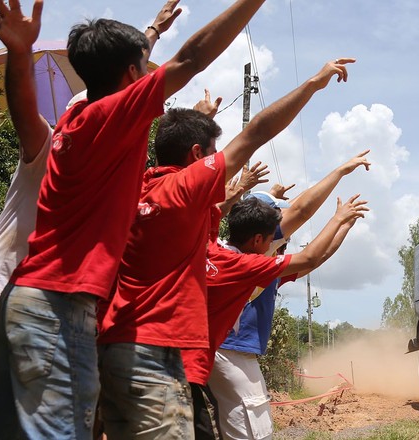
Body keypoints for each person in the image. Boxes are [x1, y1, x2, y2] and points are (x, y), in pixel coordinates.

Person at [97, 57, 355, 439]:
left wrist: (194, 120)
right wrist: (313, 84)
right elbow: (256, 133)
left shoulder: (132, 192)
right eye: (211, 153)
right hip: (165, 360)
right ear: (196, 157)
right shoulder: (186, 200)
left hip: (112, 349)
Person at [0, 1, 179, 438]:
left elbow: (117, 71)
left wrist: (152, 32)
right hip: (31, 292)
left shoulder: (67, 137)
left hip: (19, 290)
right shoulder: (68, 140)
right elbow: (124, 80)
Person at [208, 151, 371, 440]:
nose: (281, 237)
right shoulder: (249, 265)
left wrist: (343, 224)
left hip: (224, 352)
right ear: (259, 237)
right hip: (230, 351)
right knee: (253, 432)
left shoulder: (223, 252)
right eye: (276, 230)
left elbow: (316, 258)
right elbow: (306, 239)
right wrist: (339, 200)